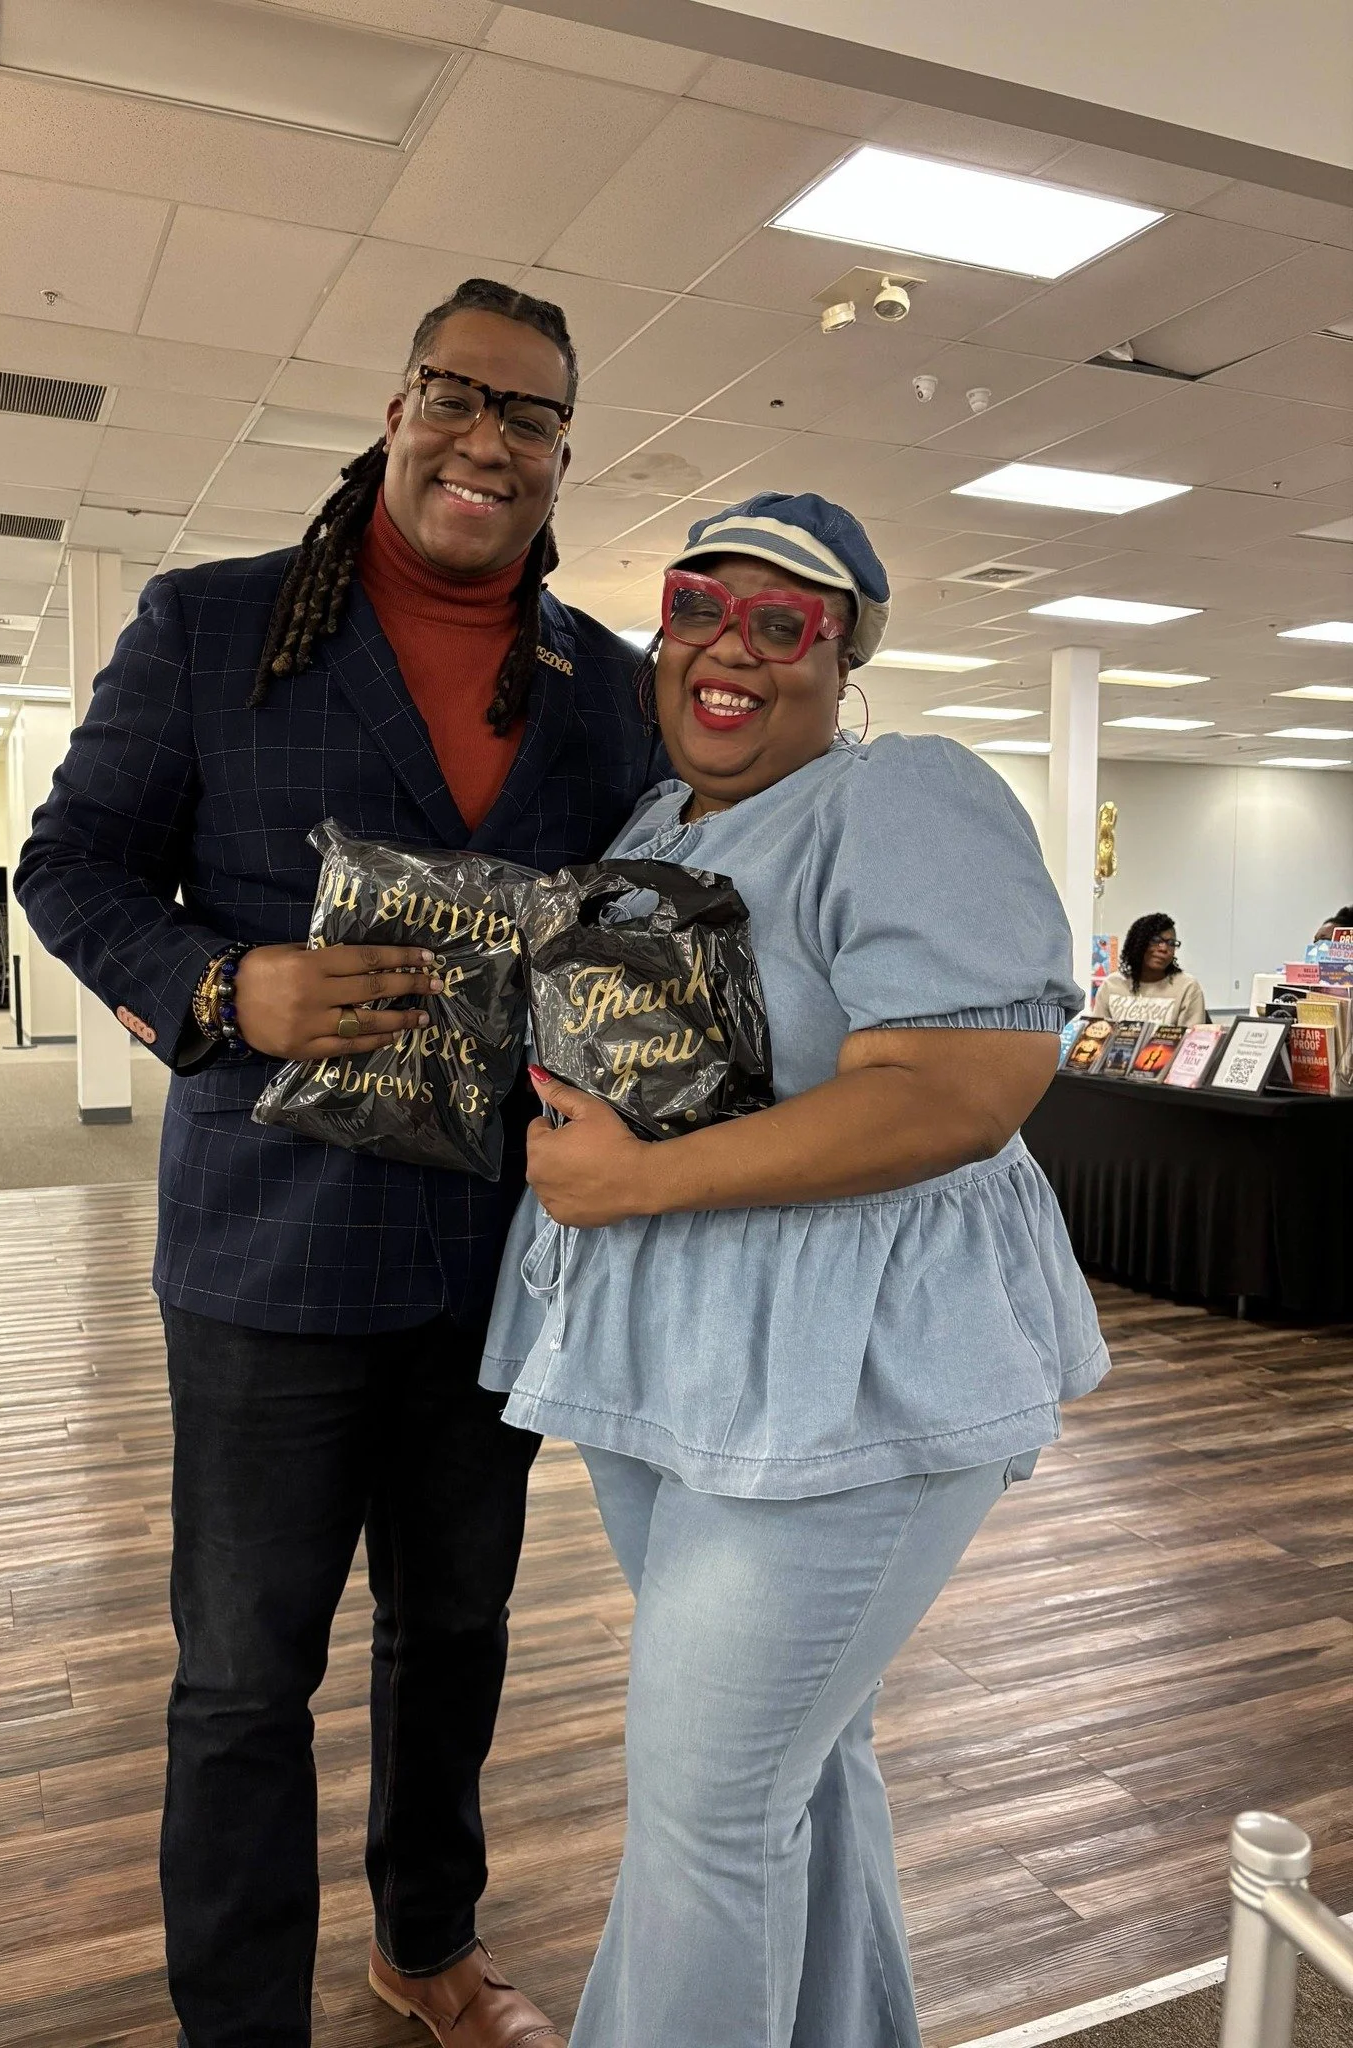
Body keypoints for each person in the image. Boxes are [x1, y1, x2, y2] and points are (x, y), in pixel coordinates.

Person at [16, 279, 660, 2048]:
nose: (487, 439)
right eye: (457, 396)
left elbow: (626, 936)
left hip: (495, 1257)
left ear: (558, 456)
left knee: (456, 1631)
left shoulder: (601, 687)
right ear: (396, 410)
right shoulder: (217, 628)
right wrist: (226, 987)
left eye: (527, 416)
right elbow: (67, 870)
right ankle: (240, 2019)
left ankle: (425, 1940)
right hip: (269, 1260)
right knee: (242, 1678)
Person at [479, 492, 1110, 2048]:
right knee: (797, 1767)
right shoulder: (657, 822)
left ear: (845, 663)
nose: (733, 650)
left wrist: (638, 1178)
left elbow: (961, 1093)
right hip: (681, 1355)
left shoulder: (899, 798)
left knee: (706, 1805)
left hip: (852, 1363)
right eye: (701, 607)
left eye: (786, 626)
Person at [1093, 913, 1207, 1025]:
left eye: (1171, 943)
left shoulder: (1187, 987)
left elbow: (1191, 1040)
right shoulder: (1111, 985)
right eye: (1156, 940)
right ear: (1137, 944)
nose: (1164, 948)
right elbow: (1096, 1036)